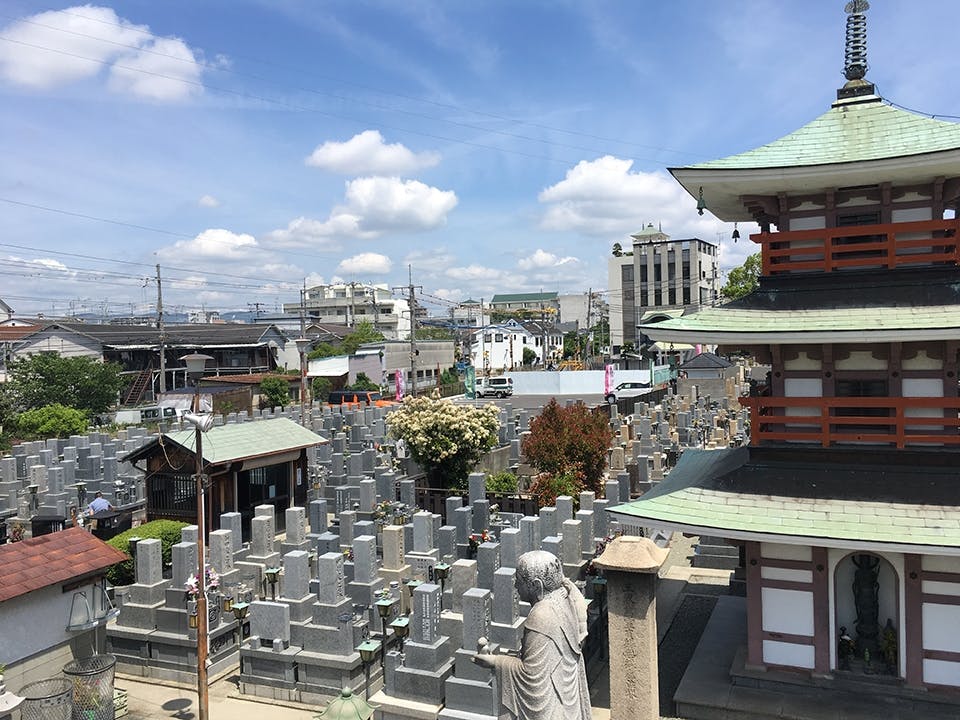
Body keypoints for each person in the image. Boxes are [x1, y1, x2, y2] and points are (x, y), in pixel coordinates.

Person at [473, 550, 591, 720]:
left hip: (552, 708)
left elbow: (531, 677)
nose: (515, 587)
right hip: (568, 703)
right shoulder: (566, 598)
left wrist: (496, 662)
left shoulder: (541, 616)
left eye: (519, 581)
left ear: (536, 585)